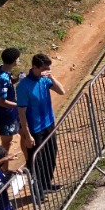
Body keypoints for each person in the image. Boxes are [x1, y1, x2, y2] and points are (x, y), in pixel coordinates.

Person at [18, 53, 67, 195]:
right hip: (35, 129)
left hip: (49, 124)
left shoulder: (45, 79)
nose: (47, 71)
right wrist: (27, 135)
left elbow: (62, 91)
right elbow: (22, 113)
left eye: (48, 68)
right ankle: (37, 192)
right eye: (44, 68)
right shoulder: (23, 87)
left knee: (51, 154)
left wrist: (51, 77)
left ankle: (46, 183)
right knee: (36, 161)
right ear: (34, 67)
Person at [0, 47, 22, 153]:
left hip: (11, 112)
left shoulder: (2, 69)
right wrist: (19, 105)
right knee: (7, 143)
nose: (19, 60)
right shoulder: (3, 78)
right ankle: (3, 163)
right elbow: (1, 102)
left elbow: (9, 82)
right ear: (14, 60)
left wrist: (17, 79)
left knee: (23, 133)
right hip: (4, 115)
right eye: (18, 58)